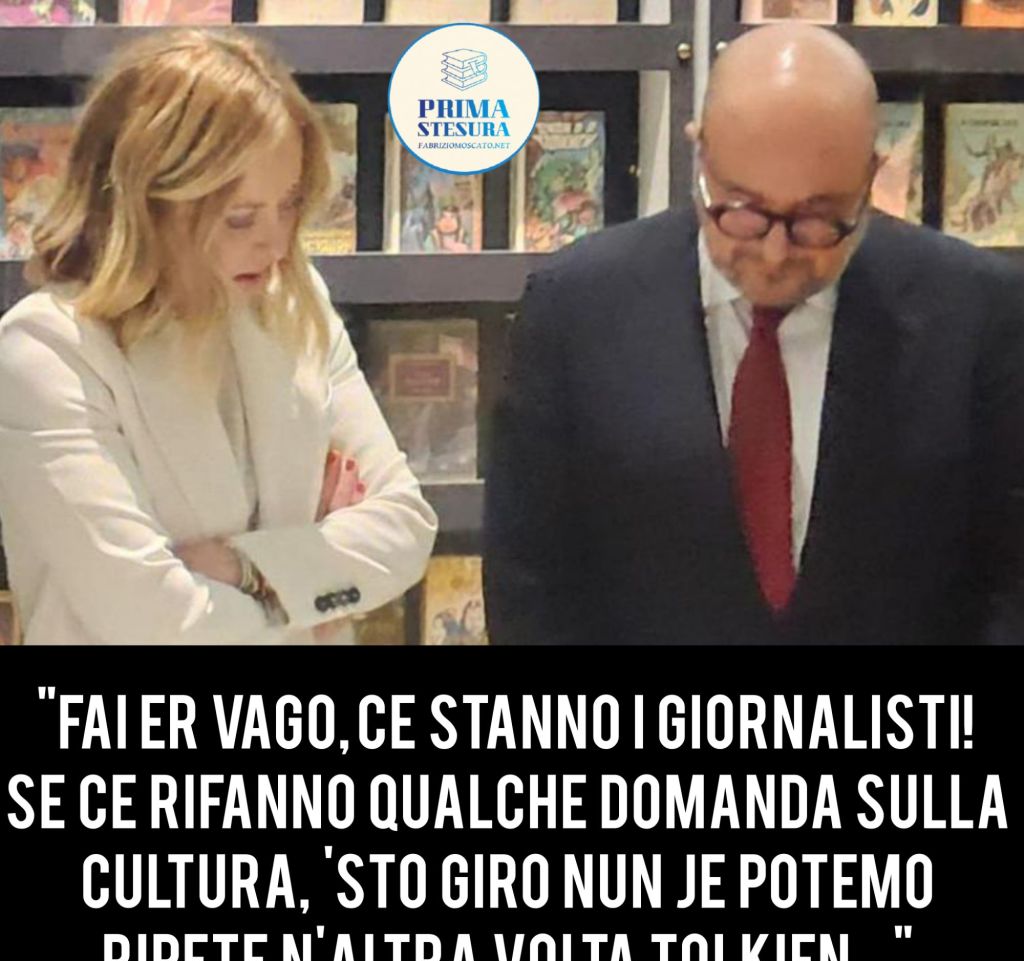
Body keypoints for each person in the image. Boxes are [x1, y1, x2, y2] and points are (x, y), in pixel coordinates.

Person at [483, 23, 1024, 645]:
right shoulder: (576, 308)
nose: (774, 253)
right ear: (700, 154)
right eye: (742, 212)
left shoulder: (978, 312)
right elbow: (531, 586)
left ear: (871, 175)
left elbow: (1010, 582)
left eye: (819, 219)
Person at [0, 29, 438, 644]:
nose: (276, 242)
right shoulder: (47, 352)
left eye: (289, 204)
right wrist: (314, 588)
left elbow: (406, 527)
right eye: (240, 217)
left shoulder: (294, 303)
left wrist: (245, 569)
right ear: (144, 206)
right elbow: (156, 621)